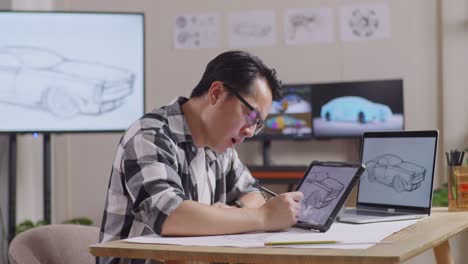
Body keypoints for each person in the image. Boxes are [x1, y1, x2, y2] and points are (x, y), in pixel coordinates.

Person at [98, 50, 303, 264]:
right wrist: (263, 217)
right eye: (252, 116)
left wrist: (236, 211)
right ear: (216, 93)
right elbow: (169, 216)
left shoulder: (220, 148)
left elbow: (254, 192)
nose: (250, 131)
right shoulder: (149, 136)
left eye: (258, 124)